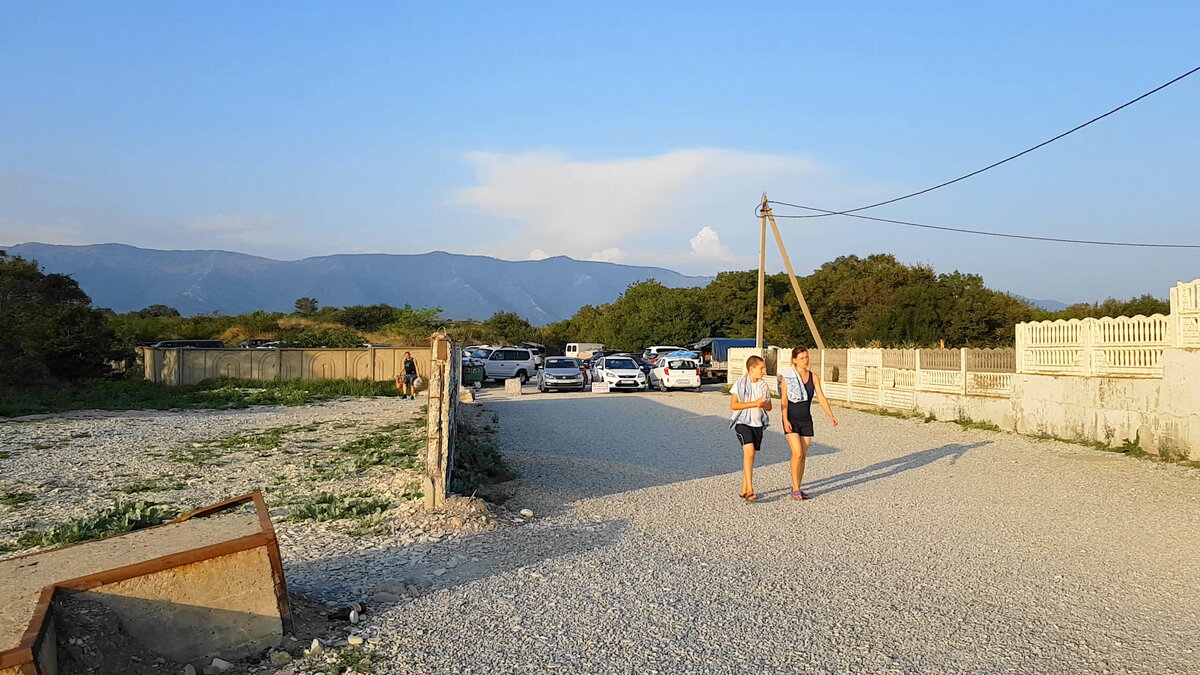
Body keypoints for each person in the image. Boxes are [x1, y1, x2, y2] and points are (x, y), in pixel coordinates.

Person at [780, 347, 838, 500]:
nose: (805, 360)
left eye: (806, 357)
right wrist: (785, 419)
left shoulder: (813, 377)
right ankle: (795, 488)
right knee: (797, 453)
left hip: (806, 419)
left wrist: (830, 415)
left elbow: (821, 397)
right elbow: (784, 400)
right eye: (802, 358)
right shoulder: (788, 377)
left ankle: (797, 486)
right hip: (791, 419)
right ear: (794, 360)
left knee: (803, 456)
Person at [729, 355, 772, 501]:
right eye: (761, 368)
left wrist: (762, 404)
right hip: (742, 422)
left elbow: (769, 407)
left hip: (757, 424)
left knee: (750, 456)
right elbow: (734, 405)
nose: (763, 371)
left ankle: (743, 488)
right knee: (750, 452)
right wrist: (754, 403)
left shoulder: (763, 385)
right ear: (751, 369)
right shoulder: (740, 384)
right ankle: (750, 490)